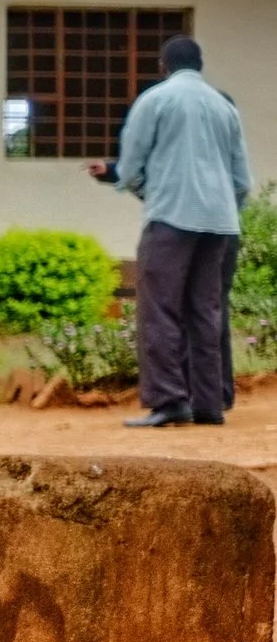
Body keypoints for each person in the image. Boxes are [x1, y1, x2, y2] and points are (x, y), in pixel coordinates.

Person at [90, 33, 254, 428]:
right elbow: (242, 180)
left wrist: (148, 192)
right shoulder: (223, 106)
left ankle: (168, 401)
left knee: (160, 310)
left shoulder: (155, 100)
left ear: (163, 65)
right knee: (206, 311)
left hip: (171, 219)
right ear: (200, 65)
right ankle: (209, 406)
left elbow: (129, 168)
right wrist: (223, 210)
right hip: (220, 224)